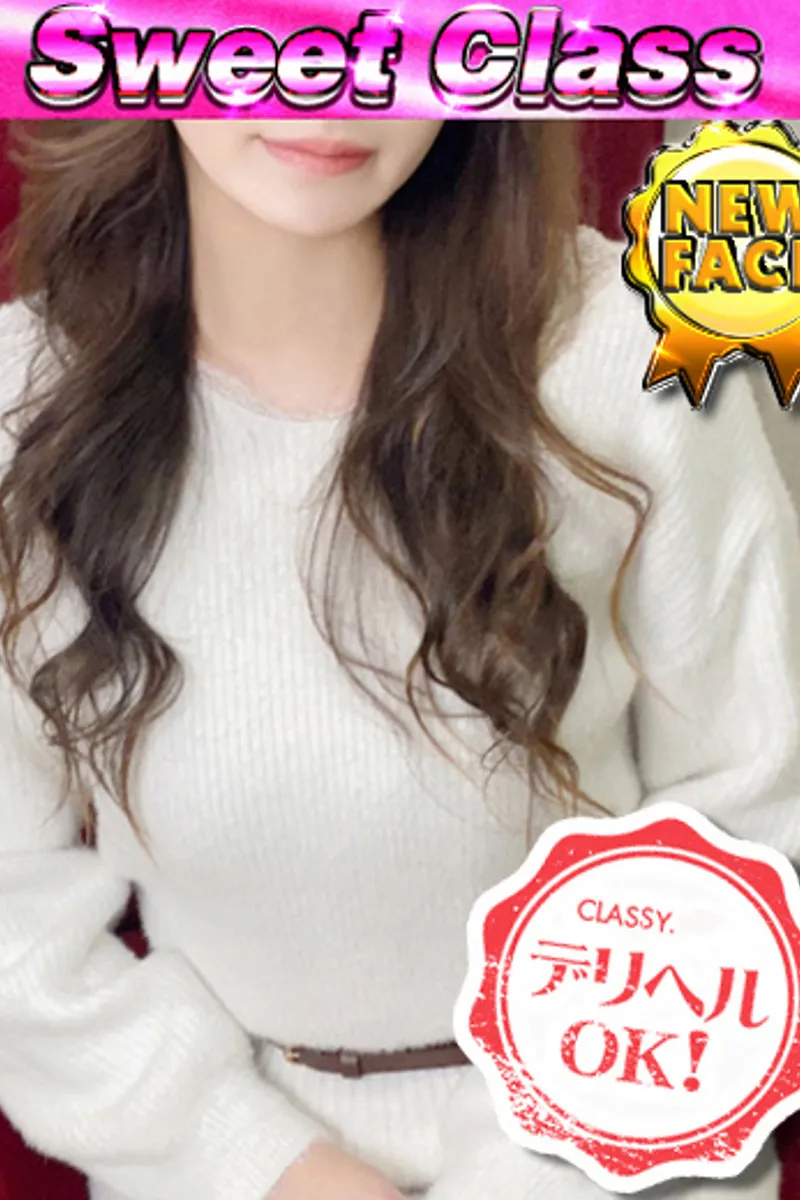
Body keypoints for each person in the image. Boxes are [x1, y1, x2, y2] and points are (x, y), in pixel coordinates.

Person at [0, 117, 796, 1200]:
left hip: (621, 1157)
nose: (331, 90)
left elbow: (761, 808)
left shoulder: (635, 352)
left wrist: (524, 1176)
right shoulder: (29, 404)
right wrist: (259, 1163)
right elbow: (16, 902)